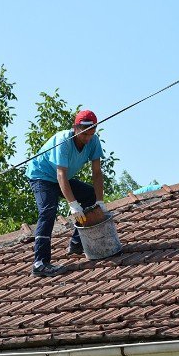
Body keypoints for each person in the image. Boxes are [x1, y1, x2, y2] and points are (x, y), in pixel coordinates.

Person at [25, 110, 107, 277]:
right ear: (75, 128)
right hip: (41, 176)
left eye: (91, 133)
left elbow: (97, 173)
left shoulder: (93, 141)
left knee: (90, 196)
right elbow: (60, 174)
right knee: (48, 210)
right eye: (84, 134)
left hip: (60, 178)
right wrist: (73, 204)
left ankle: (77, 243)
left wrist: (100, 201)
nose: (87, 138)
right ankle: (40, 263)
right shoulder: (63, 140)